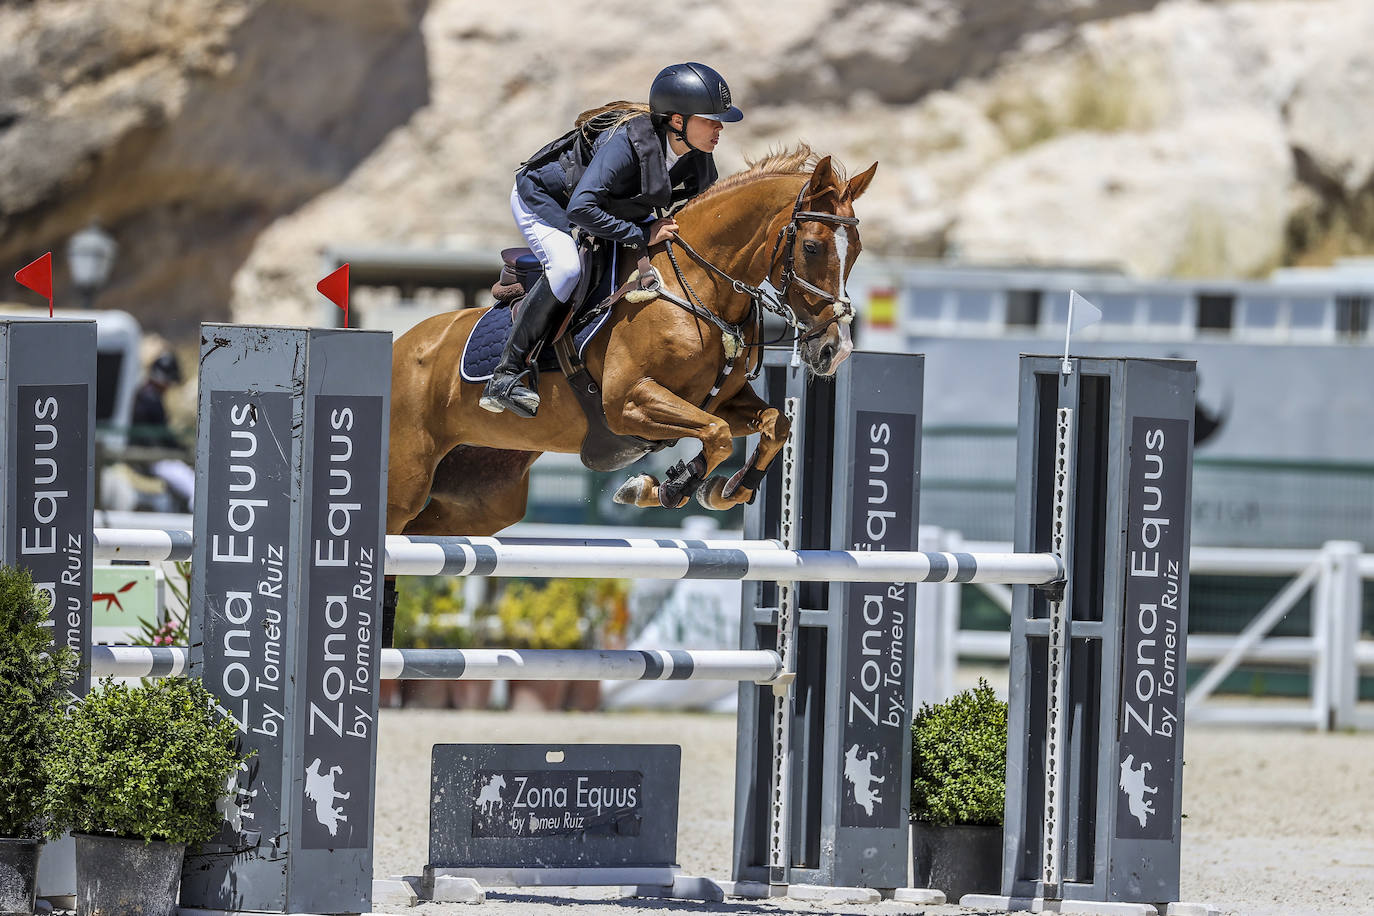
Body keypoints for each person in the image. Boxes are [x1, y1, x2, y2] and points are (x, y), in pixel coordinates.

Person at [480, 61, 744, 418]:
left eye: (720, 121)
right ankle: (505, 374)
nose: (719, 127)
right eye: (710, 119)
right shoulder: (627, 145)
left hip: (608, 207)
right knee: (566, 269)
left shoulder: (700, 161)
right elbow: (581, 210)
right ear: (678, 121)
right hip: (546, 199)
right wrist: (640, 234)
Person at [129, 350, 195, 506]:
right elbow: (155, 436)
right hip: (153, 458)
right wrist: (177, 450)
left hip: (155, 455)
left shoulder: (147, 395)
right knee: (191, 486)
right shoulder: (149, 398)